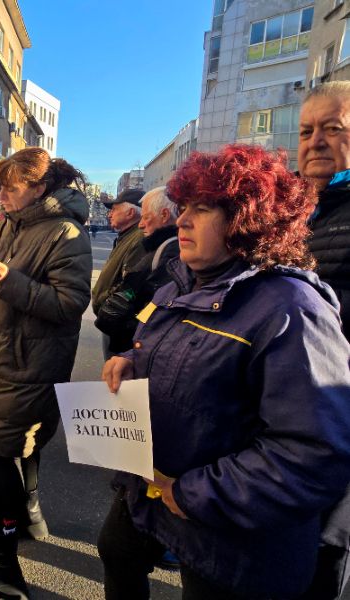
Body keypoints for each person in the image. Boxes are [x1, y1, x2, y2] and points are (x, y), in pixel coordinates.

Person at [98, 144, 350, 599]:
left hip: (232, 533)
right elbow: (183, 357)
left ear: (247, 220)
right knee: (116, 551)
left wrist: (194, 494)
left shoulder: (292, 309)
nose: (182, 220)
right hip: (155, 491)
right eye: (184, 207)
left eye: (202, 209)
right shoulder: (179, 285)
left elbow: (313, 453)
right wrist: (132, 363)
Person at [0, 149, 92, 599]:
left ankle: (3, 568)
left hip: (29, 364)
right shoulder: (9, 222)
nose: (2, 195)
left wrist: (8, 280)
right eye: (1, 186)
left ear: (40, 188)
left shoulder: (66, 232)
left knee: (4, 453)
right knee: (19, 447)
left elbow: (70, 304)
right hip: (1, 356)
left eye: (11, 188)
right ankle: (27, 519)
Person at [297, 80, 350, 599]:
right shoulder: (299, 212)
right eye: (306, 130)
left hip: (338, 424)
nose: (315, 141)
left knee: (323, 560)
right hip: (287, 422)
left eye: (333, 128)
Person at [94, 186, 179, 355]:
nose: (141, 224)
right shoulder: (150, 243)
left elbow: (147, 302)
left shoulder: (161, 249)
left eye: (146, 217)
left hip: (130, 340)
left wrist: (108, 302)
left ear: (164, 215)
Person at [92, 188, 145, 359]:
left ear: (130, 212)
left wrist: (106, 304)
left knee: (116, 370)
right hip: (113, 321)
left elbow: (130, 285)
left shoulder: (139, 239)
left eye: (114, 209)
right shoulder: (127, 236)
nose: (110, 214)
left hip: (118, 323)